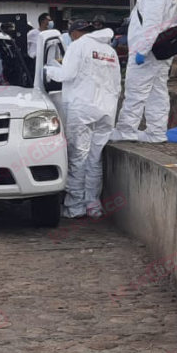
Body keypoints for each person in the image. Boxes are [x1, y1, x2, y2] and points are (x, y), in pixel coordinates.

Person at [44, 20, 121, 219]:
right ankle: (93, 205)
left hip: (82, 109)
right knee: (94, 160)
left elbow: (67, 74)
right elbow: (117, 84)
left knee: (78, 159)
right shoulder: (109, 50)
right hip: (106, 111)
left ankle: (75, 207)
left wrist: (48, 70)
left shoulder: (78, 46)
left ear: (75, 33)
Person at [111, 0, 177, 143]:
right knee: (158, 92)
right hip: (159, 51)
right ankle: (156, 132)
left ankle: (126, 130)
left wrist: (141, 51)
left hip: (147, 53)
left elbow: (151, 25)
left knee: (135, 91)